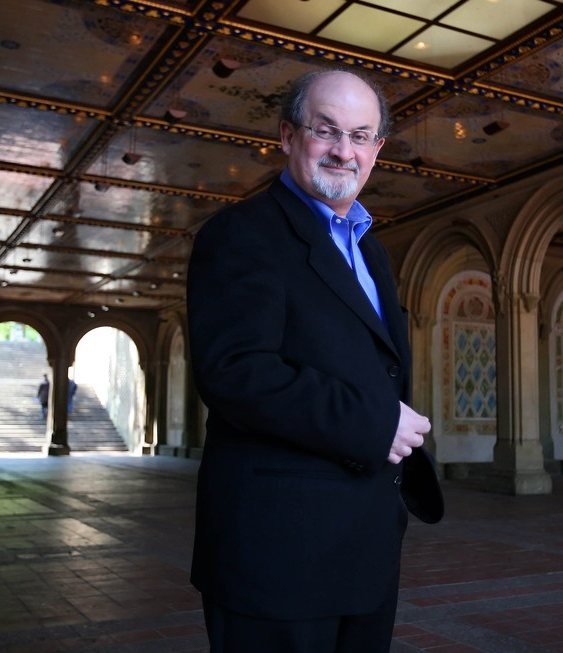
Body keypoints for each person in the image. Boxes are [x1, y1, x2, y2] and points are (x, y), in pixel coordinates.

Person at [186, 68, 443, 653]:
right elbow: (234, 371)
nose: (343, 151)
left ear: (378, 149)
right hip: (279, 551)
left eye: (360, 136)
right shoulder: (241, 234)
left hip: (365, 544)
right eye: (326, 131)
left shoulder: (369, 245)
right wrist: (376, 423)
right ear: (286, 135)